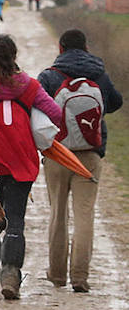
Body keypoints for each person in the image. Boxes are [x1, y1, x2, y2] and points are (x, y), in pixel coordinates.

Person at [0, 34, 64, 300]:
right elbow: (57, 114)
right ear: (14, 56)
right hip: (22, 163)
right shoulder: (30, 86)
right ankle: (11, 275)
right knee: (15, 220)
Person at [38, 29, 123, 291]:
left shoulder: (50, 76)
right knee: (84, 214)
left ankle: (57, 274)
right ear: (86, 47)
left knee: (58, 214)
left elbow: (38, 107)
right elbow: (115, 103)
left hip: (58, 153)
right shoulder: (99, 73)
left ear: (61, 48)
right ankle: (80, 276)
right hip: (90, 152)